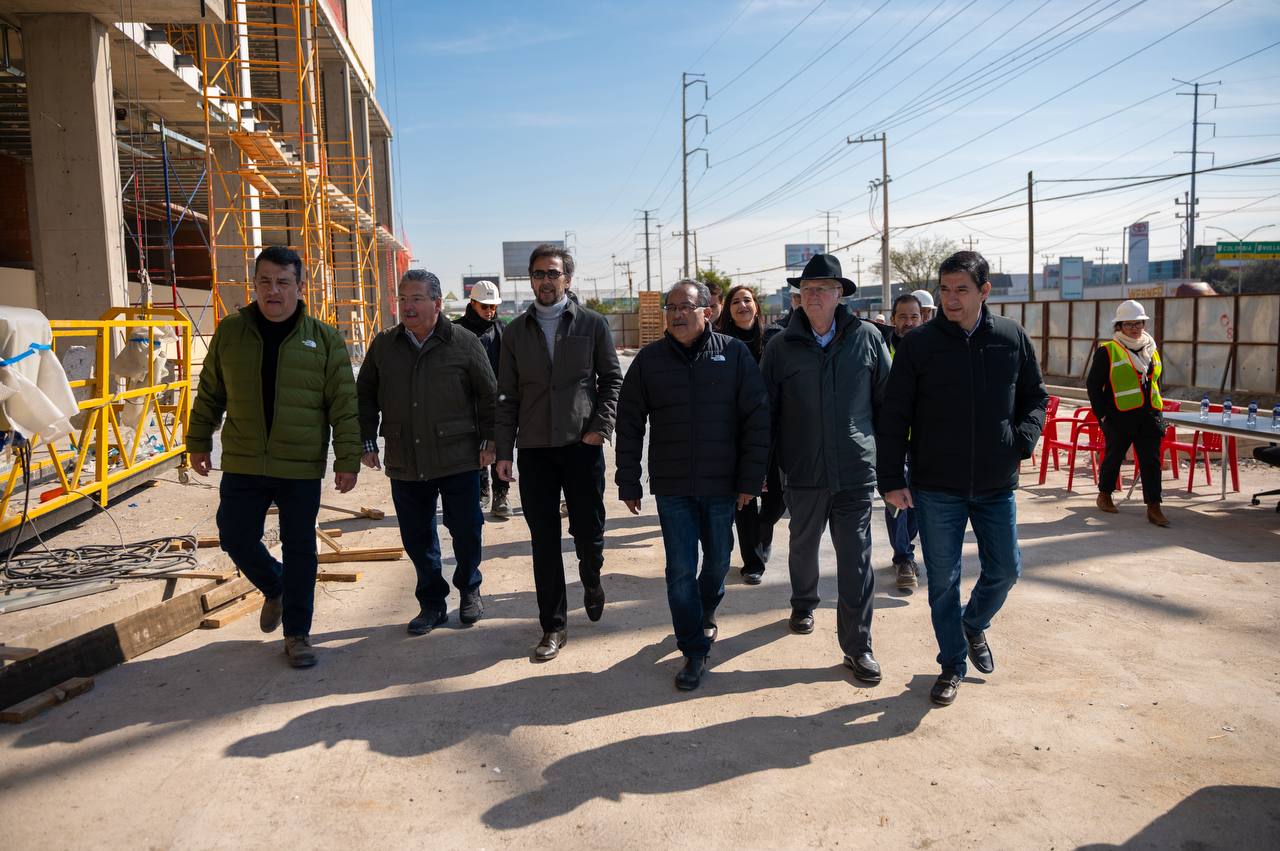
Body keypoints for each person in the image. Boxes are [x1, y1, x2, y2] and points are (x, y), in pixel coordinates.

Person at [878, 251, 1048, 706]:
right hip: (937, 486)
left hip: (996, 483)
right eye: (945, 289)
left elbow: (1035, 396)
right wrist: (891, 478)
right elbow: (894, 415)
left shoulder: (1010, 337)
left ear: (984, 291)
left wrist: (1021, 441)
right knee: (943, 580)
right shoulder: (919, 344)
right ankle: (952, 664)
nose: (951, 299)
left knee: (1006, 569)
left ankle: (973, 623)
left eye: (962, 290)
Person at [188, 245, 360, 669]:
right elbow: (210, 392)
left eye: (283, 282)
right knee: (234, 535)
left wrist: (347, 459)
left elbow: (343, 405)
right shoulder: (231, 332)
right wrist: (198, 440)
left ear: (300, 287)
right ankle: (275, 584)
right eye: (265, 281)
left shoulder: (324, 339)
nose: (273, 290)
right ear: (255, 285)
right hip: (245, 459)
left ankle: (298, 634)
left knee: (300, 547)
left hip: (299, 463)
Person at [617, 280, 770, 690]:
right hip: (673, 487)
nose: (677, 314)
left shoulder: (733, 354)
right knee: (680, 569)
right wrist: (628, 479)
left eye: (685, 306)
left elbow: (757, 418)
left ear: (708, 311)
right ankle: (693, 648)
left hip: (722, 484)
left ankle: (704, 611)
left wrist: (750, 478)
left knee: (718, 561)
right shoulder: (649, 361)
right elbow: (629, 422)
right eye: (671, 307)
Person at [761, 253, 891, 684]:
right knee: (803, 545)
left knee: (856, 560)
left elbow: (887, 405)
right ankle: (803, 602)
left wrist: (892, 466)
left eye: (822, 289)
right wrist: (760, 468)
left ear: (840, 295)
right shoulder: (780, 347)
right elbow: (765, 415)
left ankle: (859, 647)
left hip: (855, 469)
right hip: (802, 470)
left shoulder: (867, 338)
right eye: (807, 290)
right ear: (798, 298)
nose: (813, 296)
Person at [495, 244, 623, 662]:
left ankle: (591, 575)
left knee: (588, 530)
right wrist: (504, 451)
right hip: (535, 449)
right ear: (530, 280)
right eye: (538, 274)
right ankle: (553, 625)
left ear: (567, 278)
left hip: (581, 445)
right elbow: (507, 395)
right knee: (544, 540)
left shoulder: (592, 323)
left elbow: (611, 381)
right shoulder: (515, 332)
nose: (545, 281)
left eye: (553, 273)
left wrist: (599, 428)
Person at [357, 270, 498, 634]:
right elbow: (365, 394)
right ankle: (432, 603)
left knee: (467, 529)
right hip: (405, 456)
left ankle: (470, 589)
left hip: (458, 455)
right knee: (417, 536)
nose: (408, 306)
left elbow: (489, 395)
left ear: (437, 304)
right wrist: (366, 439)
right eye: (403, 299)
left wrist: (490, 441)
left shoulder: (463, 342)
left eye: (416, 299)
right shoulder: (384, 344)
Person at [1086, 300, 1169, 527]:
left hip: (1149, 416)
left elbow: (1156, 381)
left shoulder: (1151, 349)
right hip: (1119, 417)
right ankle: (1105, 494)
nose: (1134, 328)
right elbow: (1093, 385)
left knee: (1151, 462)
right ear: (1119, 326)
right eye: (1129, 324)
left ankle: (1154, 506)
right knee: (1114, 457)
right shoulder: (1108, 351)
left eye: (1138, 323)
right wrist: (1102, 416)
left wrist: (1158, 411)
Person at [715, 284, 771, 584]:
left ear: (756, 306)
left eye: (747, 300)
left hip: (772, 426)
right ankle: (753, 562)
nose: (742, 305)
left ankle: (763, 537)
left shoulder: (773, 339)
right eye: (735, 301)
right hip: (734, 429)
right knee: (744, 498)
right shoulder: (719, 342)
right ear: (728, 309)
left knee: (776, 499)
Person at [455, 279, 511, 519]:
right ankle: (481, 489)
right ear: (473, 303)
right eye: (485, 306)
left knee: (500, 446)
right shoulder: (456, 330)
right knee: (474, 447)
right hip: (468, 402)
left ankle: (501, 494)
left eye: (493, 307)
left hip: (498, 400)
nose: (490, 311)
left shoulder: (502, 329)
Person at [885, 293, 923, 589]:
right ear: (893, 319)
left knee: (918, 502)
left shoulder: (933, 350)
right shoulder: (883, 350)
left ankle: (906, 547)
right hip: (893, 440)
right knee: (897, 501)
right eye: (903, 317)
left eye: (914, 317)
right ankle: (903, 558)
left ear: (922, 318)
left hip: (925, 441)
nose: (908, 322)